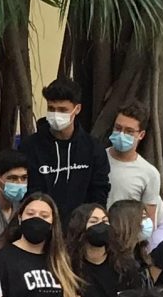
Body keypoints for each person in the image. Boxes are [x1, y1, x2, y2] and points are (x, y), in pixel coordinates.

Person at [0, 194, 78, 297]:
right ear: (20, 218)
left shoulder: (59, 261)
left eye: (44, 216)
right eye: (31, 214)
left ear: (53, 223)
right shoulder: (2, 260)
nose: (37, 219)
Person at [19, 78, 107, 216]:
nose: (56, 114)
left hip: (81, 225)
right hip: (41, 222)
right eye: (51, 109)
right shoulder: (29, 147)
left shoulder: (94, 149)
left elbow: (99, 192)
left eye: (62, 110)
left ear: (77, 109)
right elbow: (27, 191)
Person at [72, 200, 155, 297]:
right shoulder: (70, 267)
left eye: (105, 221)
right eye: (94, 221)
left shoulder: (124, 263)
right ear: (80, 229)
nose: (101, 226)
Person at [104, 103, 163, 226]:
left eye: (129, 131)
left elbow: (149, 220)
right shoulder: (97, 159)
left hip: (127, 234)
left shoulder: (150, 173)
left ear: (141, 135)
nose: (121, 134)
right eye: (118, 128)